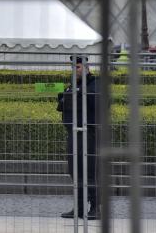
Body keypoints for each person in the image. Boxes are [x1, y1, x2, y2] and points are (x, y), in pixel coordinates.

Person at [57, 56, 99, 220]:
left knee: (89, 172)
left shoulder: (94, 84)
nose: (75, 70)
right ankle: (80, 207)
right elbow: (61, 104)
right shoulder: (73, 86)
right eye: (73, 67)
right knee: (74, 171)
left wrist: (76, 95)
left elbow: (96, 103)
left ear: (87, 68)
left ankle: (95, 207)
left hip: (88, 134)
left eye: (79, 67)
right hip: (73, 134)